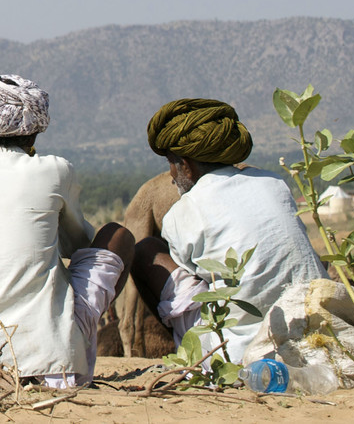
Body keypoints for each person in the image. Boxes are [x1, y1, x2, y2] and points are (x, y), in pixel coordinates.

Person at [0, 73, 133, 388]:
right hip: (49, 363)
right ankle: (82, 345)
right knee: (118, 235)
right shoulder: (55, 169)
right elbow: (79, 245)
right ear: (33, 136)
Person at [130, 98, 326, 364]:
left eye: (172, 164)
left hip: (238, 354)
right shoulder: (274, 183)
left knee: (145, 251)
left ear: (186, 164)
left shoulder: (185, 211)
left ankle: (192, 356)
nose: (172, 175)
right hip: (315, 333)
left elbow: (195, 279)